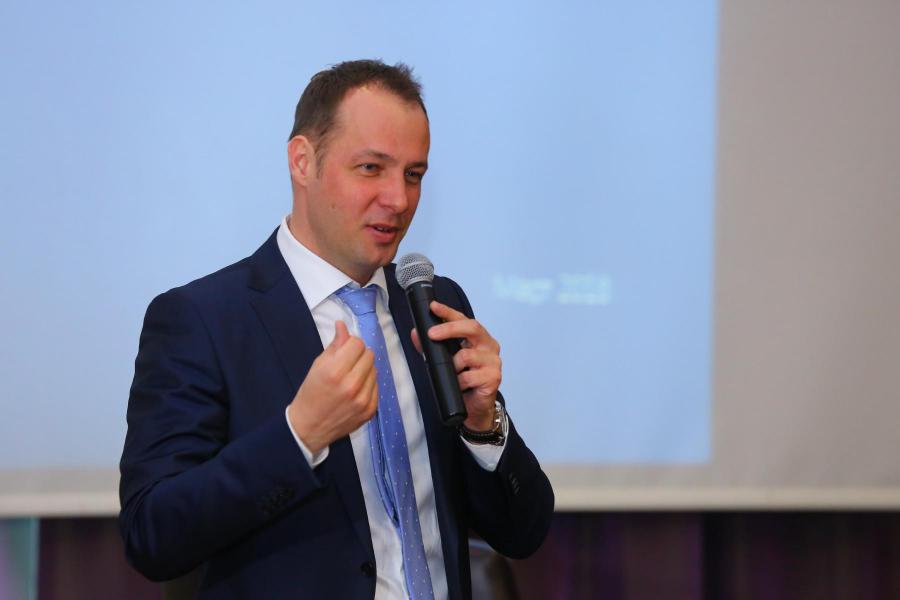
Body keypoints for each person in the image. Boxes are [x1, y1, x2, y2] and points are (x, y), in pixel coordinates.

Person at [119, 59, 554, 599]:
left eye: (413, 174)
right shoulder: (203, 320)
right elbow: (153, 535)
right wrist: (299, 435)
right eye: (371, 168)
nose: (398, 199)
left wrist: (484, 426)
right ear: (302, 161)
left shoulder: (434, 304)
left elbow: (523, 532)